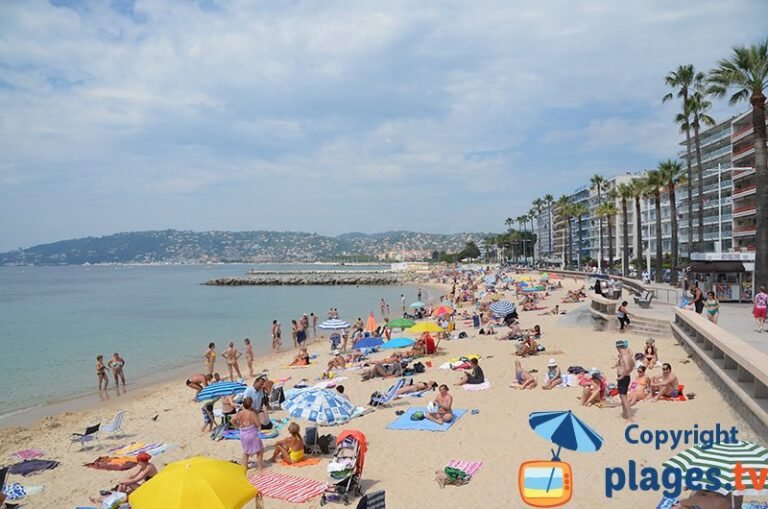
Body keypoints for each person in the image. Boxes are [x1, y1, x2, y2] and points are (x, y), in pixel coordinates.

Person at [231, 397, 265, 472]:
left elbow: (232, 420)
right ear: (251, 405)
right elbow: (258, 425)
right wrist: (259, 431)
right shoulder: (252, 414)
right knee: (259, 451)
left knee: (246, 452)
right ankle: (259, 468)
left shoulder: (240, 413)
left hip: (243, 433)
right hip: (252, 433)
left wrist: (238, 426)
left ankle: (245, 467)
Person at [614, 339, 633, 422]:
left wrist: (622, 376)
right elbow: (633, 365)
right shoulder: (627, 354)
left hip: (623, 378)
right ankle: (625, 413)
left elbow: (628, 367)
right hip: (625, 377)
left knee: (623, 397)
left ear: (618, 347)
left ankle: (629, 417)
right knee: (621, 396)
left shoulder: (624, 356)